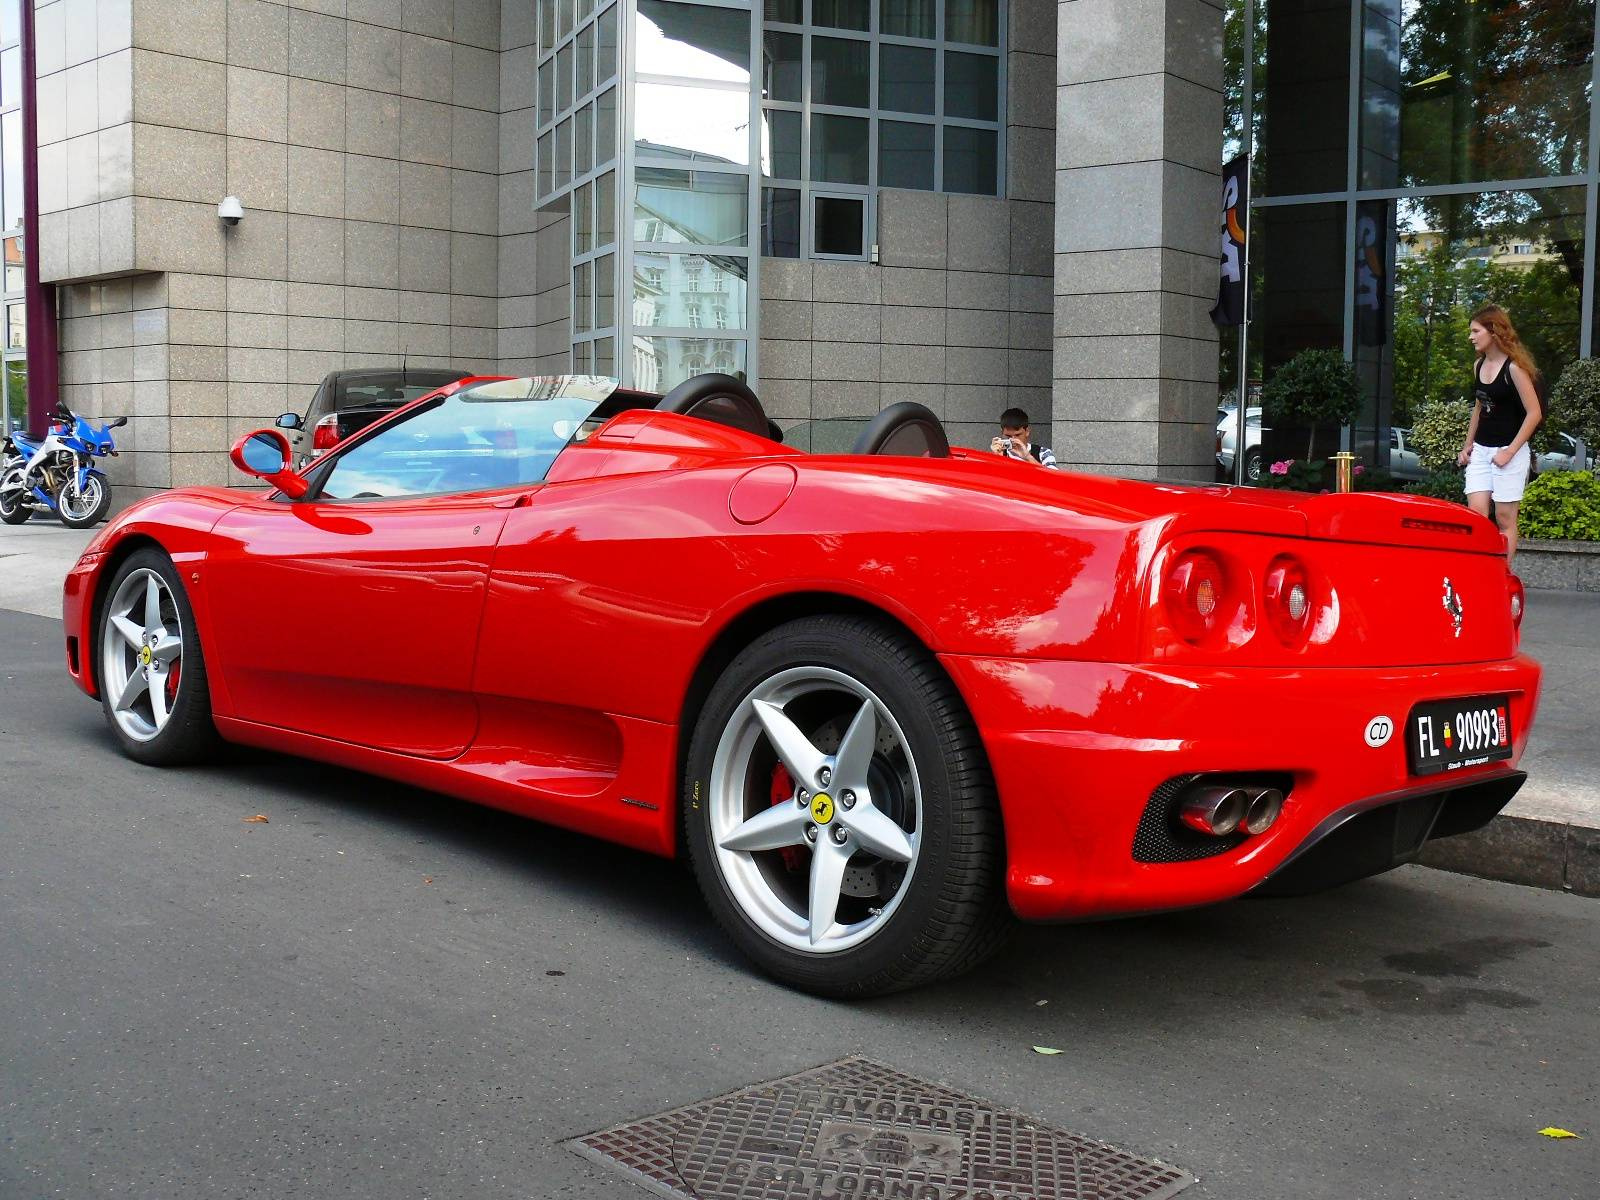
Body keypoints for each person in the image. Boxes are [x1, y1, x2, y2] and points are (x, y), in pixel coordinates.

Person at [1455, 304, 1542, 564]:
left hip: (1509, 451)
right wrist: (1468, 444)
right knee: (1477, 517)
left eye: (1475, 331)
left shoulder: (1514, 369)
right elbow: (1480, 407)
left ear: (1493, 332)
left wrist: (1510, 452)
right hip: (1482, 450)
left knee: (1505, 520)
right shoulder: (1478, 365)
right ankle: (1479, 572)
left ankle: (1502, 577)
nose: (1471, 337)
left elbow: (1534, 413)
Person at [992, 408, 1057, 469]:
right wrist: (997, 458)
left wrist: (1028, 457)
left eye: (1017, 435)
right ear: (1002, 433)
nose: (1012, 440)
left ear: (1027, 431)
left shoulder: (1043, 453)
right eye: (1008, 436)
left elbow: (1056, 478)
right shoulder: (999, 453)